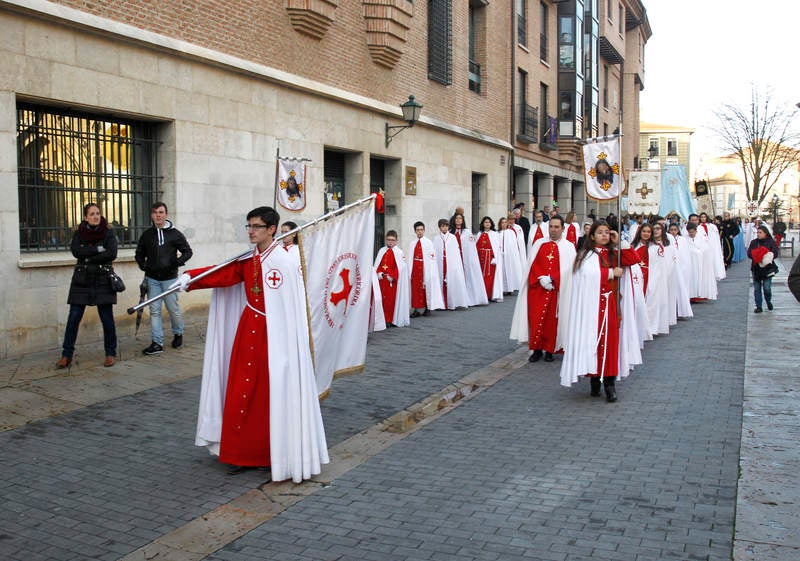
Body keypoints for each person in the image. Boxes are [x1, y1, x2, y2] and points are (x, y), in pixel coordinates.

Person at [174, 206, 328, 480]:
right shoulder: (247, 259)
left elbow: (291, 308)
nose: (251, 231)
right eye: (249, 226)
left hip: (276, 338)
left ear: (271, 229)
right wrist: (191, 278)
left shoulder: (285, 261)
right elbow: (224, 273)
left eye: (257, 226)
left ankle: (270, 454)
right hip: (248, 332)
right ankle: (239, 453)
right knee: (239, 391)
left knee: (268, 396)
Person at [559, 221, 638, 402]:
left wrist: (620, 243)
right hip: (591, 307)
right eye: (600, 232)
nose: (604, 235)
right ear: (592, 236)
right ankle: (595, 380)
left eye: (607, 232)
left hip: (609, 306)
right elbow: (586, 275)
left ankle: (610, 384)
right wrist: (611, 273)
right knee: (592, 342)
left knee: (610, 344)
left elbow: (633, 259)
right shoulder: (586, 255)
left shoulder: (613, 254)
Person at [56, 203, 119, 369]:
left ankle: (110, 353)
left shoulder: (108, 231)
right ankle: (66, 355)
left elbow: (112, 253)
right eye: (92, 214)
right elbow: (76, 251)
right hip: (82, 279)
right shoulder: (79, 232)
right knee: (74, 318)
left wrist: (89, 255)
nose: (96, 216)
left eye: (97, 213)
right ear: (85, 217)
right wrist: (98, 249)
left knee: (107, 318)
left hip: (103, 278)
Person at [510, 215, 576, 363]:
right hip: (538, 289)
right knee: (536, 319)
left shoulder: (569, 247)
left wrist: (553, 278)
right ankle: (537, 349)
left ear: (563, 229)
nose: (553, 230)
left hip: (556, 290)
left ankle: (550, 350)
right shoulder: (539, 243)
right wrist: (541, 278)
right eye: (551, 226)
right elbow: (531, 265)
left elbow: (569, 269)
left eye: (556, 227)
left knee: (552, 321)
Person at [135, 202, 193, 355]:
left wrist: (177, 263)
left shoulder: (175, 234)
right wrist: (143, 266)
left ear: (166, 214)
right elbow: (139, 253)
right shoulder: (147, 235)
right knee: (154, 311)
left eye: (161, 212)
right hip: (152, 279)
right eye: (155, 213)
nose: (158, 215)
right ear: (152, 215)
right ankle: (157, 343)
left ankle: (178, 332)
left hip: (170, 279)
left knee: (173, 309)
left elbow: (187, 251)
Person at [450, 213, 489, 307]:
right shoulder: (451, 233)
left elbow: (471, 248)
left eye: (460, 218)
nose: (458, 220)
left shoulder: (467, 232)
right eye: (457, 218)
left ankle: (470, 299)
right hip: (455, 259)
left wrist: (471, 260)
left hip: (465, 259)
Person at [374, 230, 410, 327]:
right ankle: (381, 319)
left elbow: (401, 268)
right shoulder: (382, 251)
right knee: (381, 300)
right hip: (382, 280)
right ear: (386, 240)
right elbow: (377, 265)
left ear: (396, 241)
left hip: (392, 283)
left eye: (392, 240)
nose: (390, 242)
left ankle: (389, 319)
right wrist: (378, 273)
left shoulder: (399, 252)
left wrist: (393, 276)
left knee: (390, 302)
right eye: (388, 240)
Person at [408, 221, 444, 317]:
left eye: (421, 230)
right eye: (417, 230)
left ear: (424, 230)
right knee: (415, 289)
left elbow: (431, 258)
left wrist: (430, 270)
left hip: (425, 268)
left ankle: (427, 308)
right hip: (415, 268)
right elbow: (410, 257)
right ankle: (416, 309)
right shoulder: (412, 243)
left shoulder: (428, 242)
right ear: (415, 231)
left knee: (425, 288)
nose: (419, 232)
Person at [433, 219, 469, 310]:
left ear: (448, 227)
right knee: (440, 281)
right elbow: (435, 252)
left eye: (446, 226)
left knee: (451, 282)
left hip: (451, 263)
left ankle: (452, 302)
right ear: (439, 227)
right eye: (442, 226)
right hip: (440, 263)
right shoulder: (436, 238)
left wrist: (455, 265)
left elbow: (455, 253)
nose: (444, 228)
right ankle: (441, 303)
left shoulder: (452, 237)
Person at [747, 225, 780, 313]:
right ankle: (758, 306)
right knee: (757, 288)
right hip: (756, 268)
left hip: (768, 269)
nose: (758, 234)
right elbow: (749, 253)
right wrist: (757, 255)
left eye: (760, 232)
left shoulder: (770, 242)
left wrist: (767, 255)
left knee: (767, 288)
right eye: (757, 232)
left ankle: (768, 301)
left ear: (765, 233)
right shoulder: (754, 242)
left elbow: (776, 253)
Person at [476, 216, 504, 302]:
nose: (487, 224)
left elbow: (498, 248)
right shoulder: (479, 234)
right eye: (485, 222)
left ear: (491, 224)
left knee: (490, 278)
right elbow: (476, 246)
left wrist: (496, 258)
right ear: (483, 224)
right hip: (481, 259)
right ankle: (482, 296)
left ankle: (490, 295)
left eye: (488, 222)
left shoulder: (495, 234)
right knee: (481, 277)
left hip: (490, 260)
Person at [498, 217, 523, 293]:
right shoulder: (497, 233)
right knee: (502, 272)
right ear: (500, 224)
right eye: (502, 222)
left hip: (509, 256)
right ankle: (502, 288)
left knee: (509, 270)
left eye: (505, 222)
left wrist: (512, 254)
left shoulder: (511, 232)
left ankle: (510, 288)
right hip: (501, 255)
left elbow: (513, 245)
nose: (504, 224)